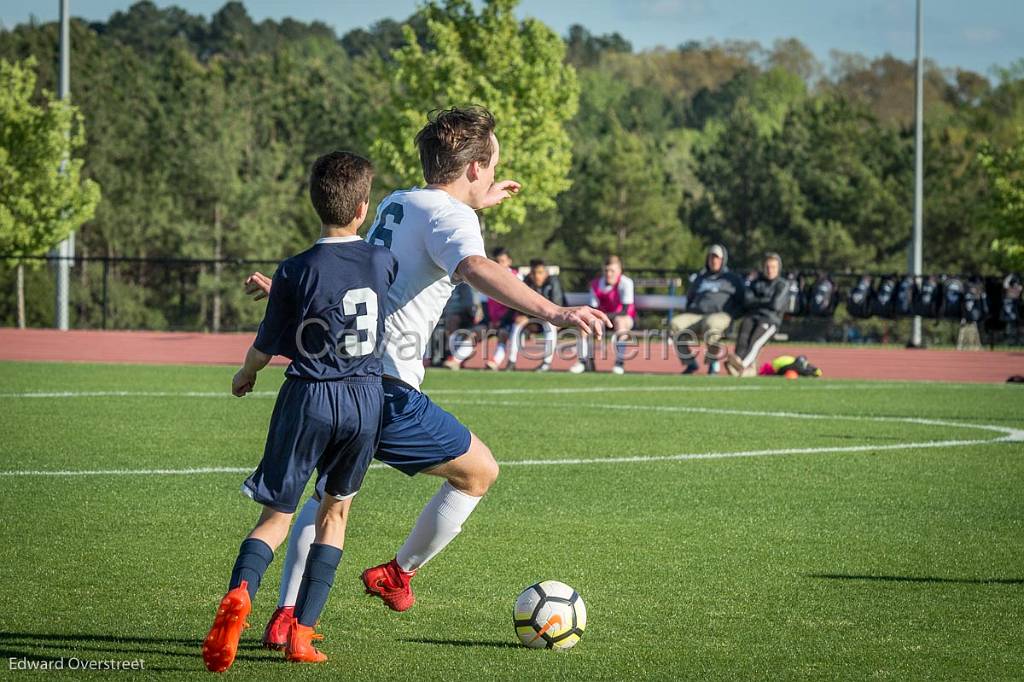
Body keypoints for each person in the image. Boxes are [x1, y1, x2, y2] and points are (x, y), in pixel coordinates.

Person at [243, 107, 609, 647]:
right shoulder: (455, 221)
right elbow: (476, 267)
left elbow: (372, 257)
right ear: (474, 167)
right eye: (488, 168)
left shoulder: (396, 201)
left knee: (324, 501)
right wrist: (554, 312)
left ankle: (286, 615)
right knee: (479, 472)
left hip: (342, 375)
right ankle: (398, 573)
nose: (489, 180)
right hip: (389, 389)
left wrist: (475, 200)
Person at [202, 152, 397, 671]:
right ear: (362, 208)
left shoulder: (294, 269)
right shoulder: (382, 260)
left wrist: (246, 375)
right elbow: (347, 300)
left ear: (316, 206)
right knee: (334, 515)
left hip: (308, 398)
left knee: (277, 517)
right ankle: (303, 635)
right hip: (364, 399)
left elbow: (266, 348)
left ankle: (241, 593)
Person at [671, 244, 743, 375]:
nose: (714, 261)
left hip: (720, 315)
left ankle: (713, 364)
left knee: (711, 324)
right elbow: (690, 298)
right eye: (711, 257)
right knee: (674, 324)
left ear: (723, 260)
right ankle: (690, 363)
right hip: (697, 315)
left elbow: (741, 300)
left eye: (717, 258)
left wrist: (733, 316)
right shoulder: (700, 278)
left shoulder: (732, 279)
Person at [570, 255, 635, 375]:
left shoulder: (626, 283)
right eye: (606, 270)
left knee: (620, 322)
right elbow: (593, 308)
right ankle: (583, 361)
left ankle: (619, 363)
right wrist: (599, 319)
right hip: (602, 317)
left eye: (612, 271)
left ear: (619, 271)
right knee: (584, 323)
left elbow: (625, 310)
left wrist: (604, 317)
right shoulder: (596, 284)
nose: (609, 274)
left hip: (623, 318)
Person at [727, 252, 789, 376]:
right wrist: (765, 300)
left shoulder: (782, 284)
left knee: (755, 342)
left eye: (773, 267)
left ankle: (741, 365)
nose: (770, 270)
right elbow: (747, 301)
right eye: (767, 267)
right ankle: (738, 363)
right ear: (763, 267)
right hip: (753, 316)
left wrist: (757, 301)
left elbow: (775, 305)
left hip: (770, 320)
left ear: (778, 268)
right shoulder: (756, 282)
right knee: (743, 337)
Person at [506, 258, 566, 371]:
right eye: (534, 273)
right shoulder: (526, 282)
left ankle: (546, 363)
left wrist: (543, 317)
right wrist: (524, 316)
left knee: (550, 325)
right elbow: (521, 303)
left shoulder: (553, 282)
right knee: (518, 323)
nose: (537, 276)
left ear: (546, 273)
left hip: (553, 319)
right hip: (533, 319)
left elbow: (557, 305)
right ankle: (511, 361)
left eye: (540, 272)